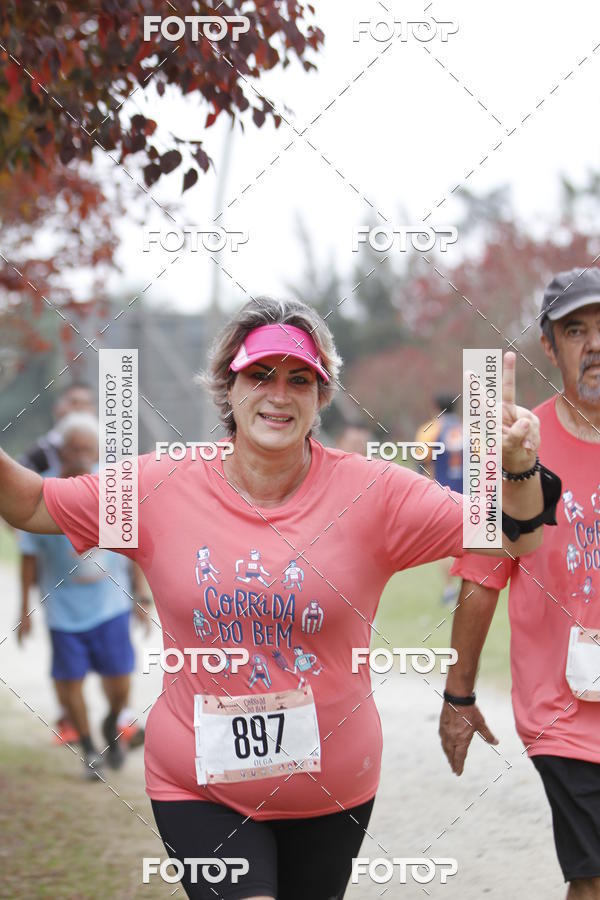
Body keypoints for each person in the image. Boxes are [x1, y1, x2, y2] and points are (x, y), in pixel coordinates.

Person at [2, 297, 559, 899]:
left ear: (322, 398)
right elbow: (33, 504)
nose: (279, 394)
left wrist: (519, 465)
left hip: (332, 789)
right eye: (259, 375)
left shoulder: (371, 492)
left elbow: (510, 534)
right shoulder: (159, 486)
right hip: (199, 786)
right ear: (228, 388)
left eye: (301, 380)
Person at [439, 268, 600, 900]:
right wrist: (458, 696)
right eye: (576, 330)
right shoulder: (511, 446)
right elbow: (481, 577)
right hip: (564, 709)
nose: (595, 344)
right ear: (549, 346)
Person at [17, 411, 146, 779]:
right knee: (70, 681)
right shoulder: (42, 492)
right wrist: (24, 608)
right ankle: (89, 748)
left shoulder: (113, 490)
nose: (80, 455)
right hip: (63, 610)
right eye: (73, 448)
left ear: (98, 451)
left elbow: (131, 546)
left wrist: (141, 596)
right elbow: (29, 554)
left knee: (120, 679)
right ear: (62, 450)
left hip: (111, 605)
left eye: (87, 449)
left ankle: (111, 724)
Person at [19, 380, 96, 744]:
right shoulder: (40, 454)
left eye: (86, 403)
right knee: (67, 651)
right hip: (53, 554)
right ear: (59, 409)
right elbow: (18, 505)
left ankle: (119, 717)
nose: (79, 409)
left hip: (100, 572)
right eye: (74, 403)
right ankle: (70, 720)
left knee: (112, 652)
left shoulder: (103, 449)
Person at [415, 394, 464, 605]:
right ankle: (466, 587)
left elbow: (420, 463)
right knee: (469, 544)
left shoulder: (429, 430)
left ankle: (449, 589)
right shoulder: (470, 430)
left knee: (445, 545)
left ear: (435, 407)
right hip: (470, 496)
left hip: (441, 495)